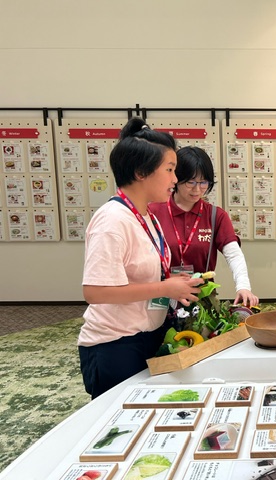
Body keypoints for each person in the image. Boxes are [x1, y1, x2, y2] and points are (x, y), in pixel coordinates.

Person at [78, 117, 203, 399]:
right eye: (169, 169)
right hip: (115, 344)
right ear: (140, 172)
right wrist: (164, 287)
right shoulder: (112, 220)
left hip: (147, 335)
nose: (175, 179)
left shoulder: (146, 216)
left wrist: (172, 282)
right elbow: (95, 292)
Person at [149, 146, 258, 307]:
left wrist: (243, 286)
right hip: (162, 296)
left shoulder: (215, 216)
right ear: (176, 179)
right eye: (190, 182)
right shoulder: (153, 211)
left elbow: (234, 254)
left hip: (200, 299)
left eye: (203, 182)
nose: (197, 189)